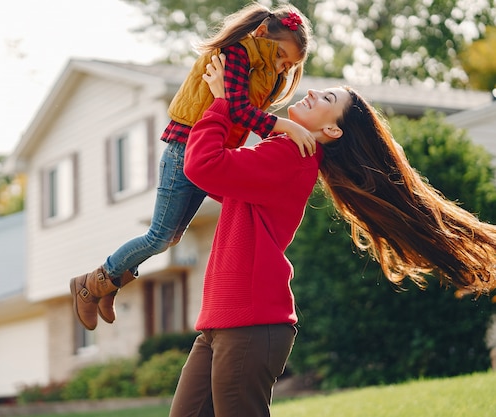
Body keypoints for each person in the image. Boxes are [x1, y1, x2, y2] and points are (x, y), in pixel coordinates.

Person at [169, 55, 496, 417]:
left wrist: (221, 104)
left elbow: (203, 165)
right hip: (224, 320)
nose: (312, 92)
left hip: (250, 323)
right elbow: (223, 181)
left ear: (333, 131)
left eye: (327, 99)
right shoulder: (287, 151)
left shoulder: (293, 152)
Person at [70, 3, 317, 330]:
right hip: (186, 150)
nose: (283, 66)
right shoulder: (236, 54)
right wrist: (286, 127)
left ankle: (110, 281)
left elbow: (242, 113)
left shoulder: (264, 67)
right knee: (160, 237)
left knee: (180, 234)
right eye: (281, 56)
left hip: (214, 152)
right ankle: (91, 285)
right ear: (261, 34)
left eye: (289, 63)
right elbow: (239, 111)